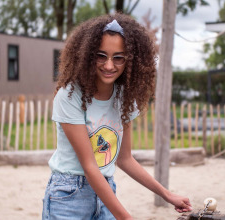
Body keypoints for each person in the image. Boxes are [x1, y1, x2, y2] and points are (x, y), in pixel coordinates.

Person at [42, 13, 192, 220]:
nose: (109, 65)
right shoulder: (69, 95)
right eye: (101, 55)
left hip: (106, 192)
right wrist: (125, 217)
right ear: (87, 55)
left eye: (118, 57)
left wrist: (167, 195)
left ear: (131, 61)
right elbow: (89, 166)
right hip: (69, 196)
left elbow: (125, 159)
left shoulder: (124, 98)